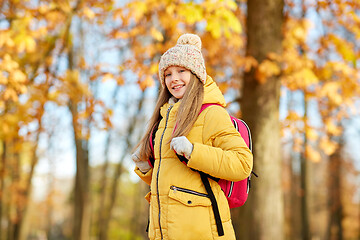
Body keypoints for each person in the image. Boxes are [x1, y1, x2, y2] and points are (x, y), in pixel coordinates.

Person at [131, 33, 253, 240]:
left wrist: (193, 151)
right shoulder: (162, 120)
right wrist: (145, 167)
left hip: (203, 232)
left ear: (196, 74)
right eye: (167, 74)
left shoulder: (211, 114)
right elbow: (175, 180)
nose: (174, 79)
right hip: (166, 232)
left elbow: (242, 163)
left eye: (181, 71)